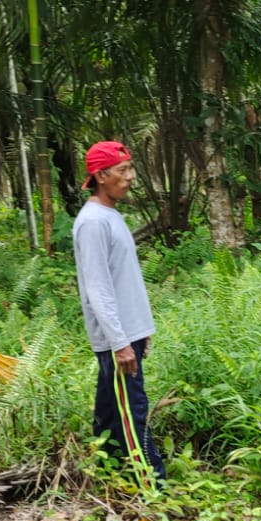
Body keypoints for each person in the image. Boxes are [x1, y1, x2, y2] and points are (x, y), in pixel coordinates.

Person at [73, 141, 166, 483]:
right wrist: (120, 342)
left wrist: (140, 332)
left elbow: (122, 282)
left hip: (129, 334)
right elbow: (97, 288)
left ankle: (110, 480)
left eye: (130, 168)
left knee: (112, 415)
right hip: (119, 340)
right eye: (123, 170)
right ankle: (153, 487)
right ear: (100, 175)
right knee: (132, 414)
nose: (131, 177)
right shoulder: (93, 223)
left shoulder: (109, 216)